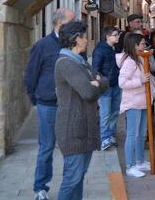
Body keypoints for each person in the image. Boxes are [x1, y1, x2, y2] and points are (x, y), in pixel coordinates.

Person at [54, 21, 108, 200]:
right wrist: (95, 83)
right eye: (85, 37)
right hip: (73, 130)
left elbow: (104, 81)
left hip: (85, 128)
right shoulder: (66, 64)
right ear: (77, 39)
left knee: (78, 177)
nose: (87, 40)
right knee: (72, 179)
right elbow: (88, 92)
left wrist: (97, 82)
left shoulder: (80, 62)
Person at [24, 8, 74, 200]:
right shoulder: (42, 45)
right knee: (47, 146)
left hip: (69, 103)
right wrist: (35, 98)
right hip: (49, 104)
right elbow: (31, 74)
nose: (75, 24)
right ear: (60, 23)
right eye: (72, 21)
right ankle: (40, 188)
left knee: (70, 145)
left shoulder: (73, 44)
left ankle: (69, 184)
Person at [117, 33, 155, 178]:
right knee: (132, 135)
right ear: (135, 45)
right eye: (142, 44)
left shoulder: (141, 59)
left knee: (142, 134)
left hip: (143, 102)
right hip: (133, 103)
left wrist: (153, 90)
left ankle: (140, 160)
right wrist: (140, 81)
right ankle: (130, 166)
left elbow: (149, 78)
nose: (144, 46)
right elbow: (122, 83)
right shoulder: (129, 61)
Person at [92, 26, 121, 151]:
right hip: (106, 87)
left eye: (118, 35)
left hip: (116, 84)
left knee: (114, 112)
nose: (118, 37)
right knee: (105, 114)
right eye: (115, 35)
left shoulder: (115, 48)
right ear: (108, 36)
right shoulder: (100, 50)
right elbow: (95, 69)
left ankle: (111, 136)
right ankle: (104, 139)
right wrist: (101, 83)